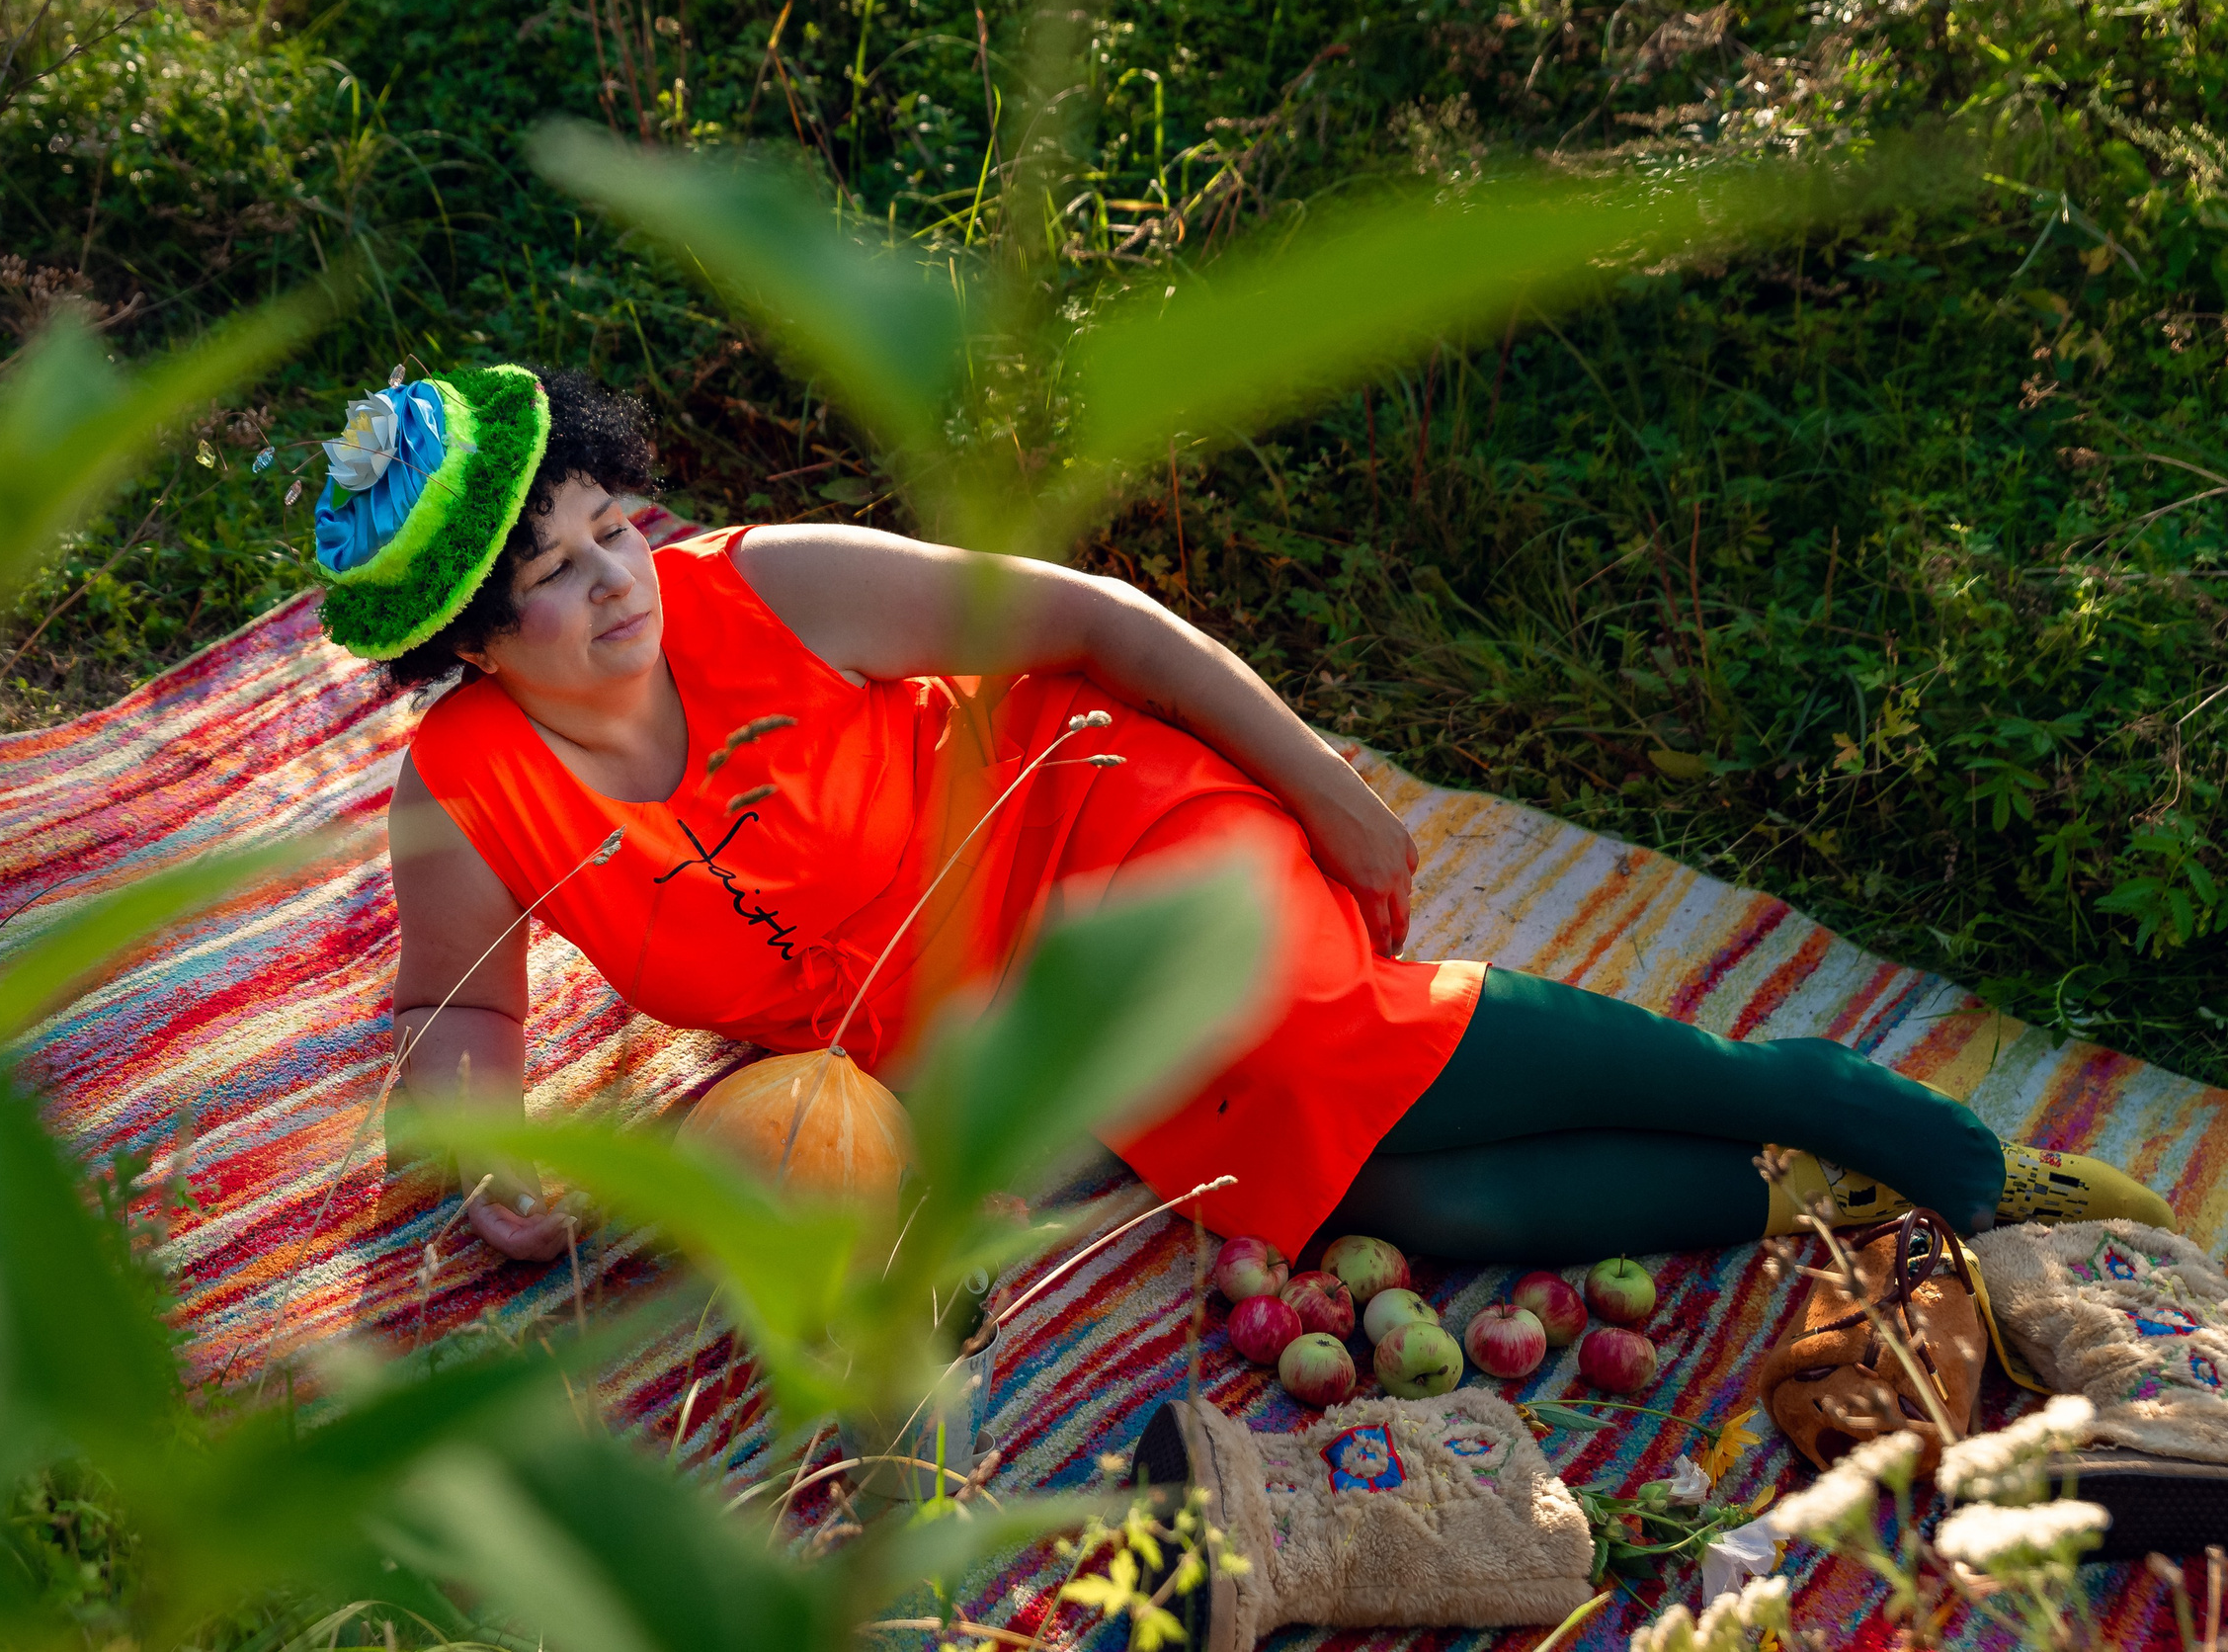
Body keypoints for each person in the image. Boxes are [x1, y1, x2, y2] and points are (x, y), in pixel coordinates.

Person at [312, 362, 2175, 1267]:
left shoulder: (765, 585)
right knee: (1366, 1194)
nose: (610, 579)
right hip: (965, 1038)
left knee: (1295, 1036)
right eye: (546, 580)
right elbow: (453, 1020)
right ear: (470, 654)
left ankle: (1826, 1102)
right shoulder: (467, 794)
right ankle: (1746, 1190)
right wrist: (499, 1167)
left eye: (602, 523)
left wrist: (1331, 789)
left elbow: (1088, 618)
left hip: (1100, 824)